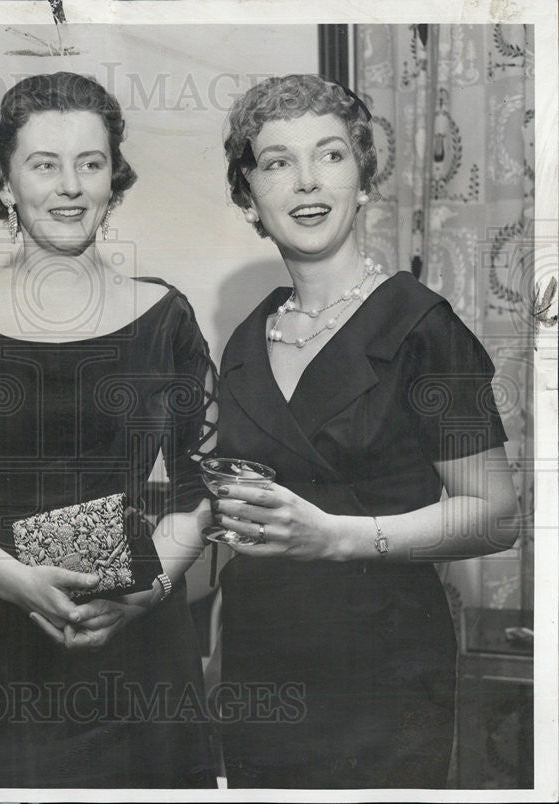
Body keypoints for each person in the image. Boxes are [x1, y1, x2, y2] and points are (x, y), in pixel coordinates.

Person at [0, 72, 218, 788]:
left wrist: (148, 592)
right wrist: (19, 584)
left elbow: (201, 488)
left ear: (113, 181)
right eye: (45, 165)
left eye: (91, 164)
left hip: (135, 645)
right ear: (6, 183)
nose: (70, 186)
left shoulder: (165, 315)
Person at [212, 74, 519, 788]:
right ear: (248, 197)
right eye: (277, 161)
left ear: (365, 180)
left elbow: (494, 515)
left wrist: (340, 538)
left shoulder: (422, 326)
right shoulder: (247, 335)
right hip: (259, 668)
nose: (307, 180)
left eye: (331, 155)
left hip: (385, 675)